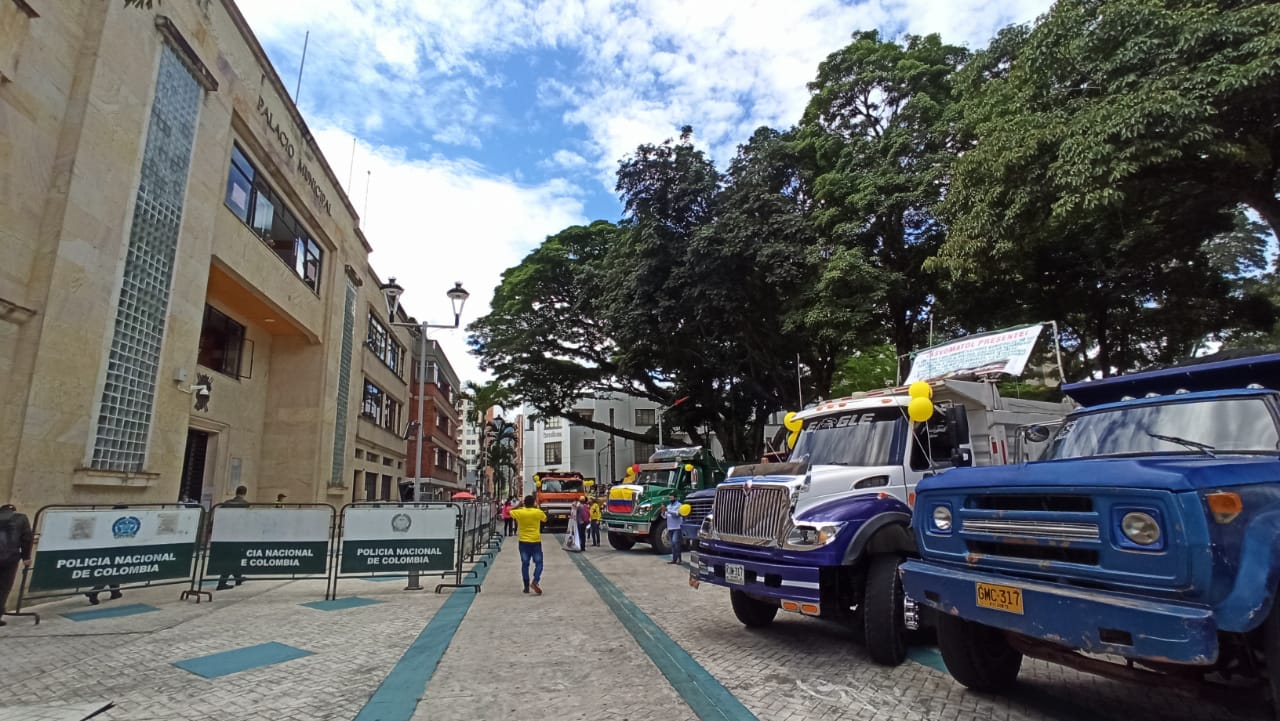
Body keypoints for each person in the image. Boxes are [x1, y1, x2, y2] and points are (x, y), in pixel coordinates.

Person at [0, 503, 34, 625]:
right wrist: (26, 557)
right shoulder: (21, 518)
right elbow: (26, 539)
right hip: (10, 559)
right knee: (4, 588)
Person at [509, 495, 546, 595]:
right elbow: (544, 519)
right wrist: (536, 507)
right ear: (534, 502)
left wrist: (519, 505)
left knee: (525, 563)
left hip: (523, 542)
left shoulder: (519, 512)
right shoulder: (538, 512)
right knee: (539, 563)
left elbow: (510, 512)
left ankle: (526, 586)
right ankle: (535, 581)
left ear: (524, 502)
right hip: (535, 541)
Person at [216, 485, 251, 590]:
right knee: (231, 558)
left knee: (234, 556)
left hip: (224, 534)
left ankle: (238, 577)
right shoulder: (245, 504)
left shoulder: (226, 503)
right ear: (245, 493)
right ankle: (222, 582)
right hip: (237, 534)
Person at [664, 494, 683, 565]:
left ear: (675, 498)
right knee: (672, 544)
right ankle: (674, 559)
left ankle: (679, 559)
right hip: (670, 527)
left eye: (672, 498)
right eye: (670, 498)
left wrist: (668, 510)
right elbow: (665, 516)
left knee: (676, 542)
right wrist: (663, 511)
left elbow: (677, 514)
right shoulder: (668, 506)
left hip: (677, 527)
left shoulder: (679, 505)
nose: (670, 499)